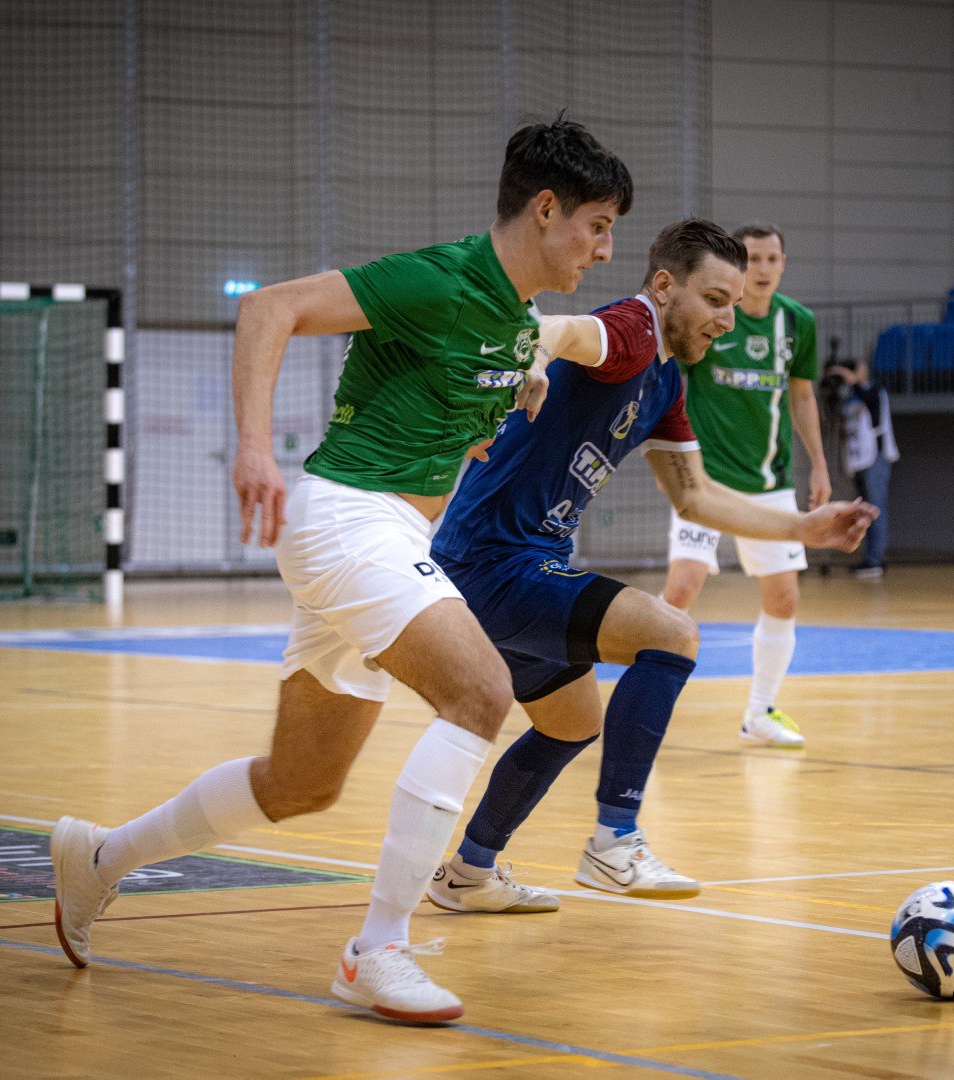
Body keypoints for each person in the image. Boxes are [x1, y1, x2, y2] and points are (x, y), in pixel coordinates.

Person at [50, 117, 633, 1024]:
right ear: (547, 209)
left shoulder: (519, 321)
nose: (604, 250)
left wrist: (500, 402)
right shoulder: (439, 279)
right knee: (480, 693)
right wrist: (254, 447)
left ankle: (98, 859)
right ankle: (375, 952)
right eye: (597, 226)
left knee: (301, 783)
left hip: (388, 536)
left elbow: (466, 388)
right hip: (346, 517)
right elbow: (268, 307)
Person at [421, 219, 876, 913]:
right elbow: (560, 329)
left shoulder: (666, 381)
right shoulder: (633, 330)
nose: (727, 319)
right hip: (493, 563)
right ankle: (615, 842)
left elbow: (694, 496)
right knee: (671, 633)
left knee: (570, 722)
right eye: (714, 299)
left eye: (733, 304)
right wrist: (535, 352)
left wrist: (801, 528)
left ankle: (467, 874)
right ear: (664, 286)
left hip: (515, 565)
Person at [660, 222, 829, 748]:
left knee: (784, 597)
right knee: (682, 588)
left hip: (769, 481)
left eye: (772, 259)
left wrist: (819, 464)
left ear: (783, 264)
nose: (763, 269)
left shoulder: (797, 323)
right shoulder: (713, 317)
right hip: (704, 481)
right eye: (753, 259)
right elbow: (671, 376)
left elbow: (802, 396)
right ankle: (645, 706)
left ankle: (760, 712)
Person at [828, 357, 898, 578]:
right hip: (857, 460)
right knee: (863, 510)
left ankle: (876, 559)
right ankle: (869, 558)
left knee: (875, 508)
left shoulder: (875, 392)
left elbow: (870, 402)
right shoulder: (848, 397)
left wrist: (853, 380)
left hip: (875, 456)